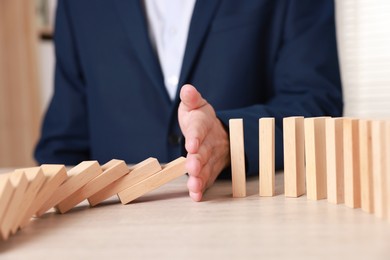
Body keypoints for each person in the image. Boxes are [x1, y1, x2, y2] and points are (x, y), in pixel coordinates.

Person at [35, 0, 343, 202]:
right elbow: (63, 144)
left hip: (252, 234)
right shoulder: (78, 7)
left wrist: (227, 139)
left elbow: (318, 104)